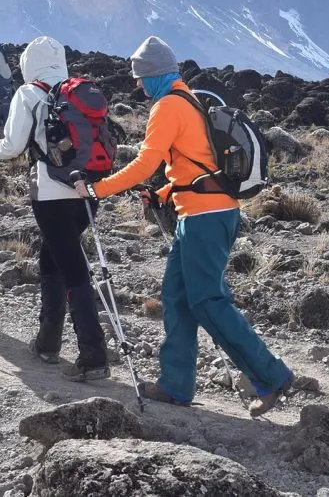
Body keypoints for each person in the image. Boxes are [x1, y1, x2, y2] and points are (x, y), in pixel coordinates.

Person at [74, 36, 294, 415]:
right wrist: (163, 194)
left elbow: (145, 163)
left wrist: (97, 189)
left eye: (141, 77)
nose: (138, 85)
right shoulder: (188, 99)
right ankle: (175, 385)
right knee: (176, 297)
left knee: (207, 300)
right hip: (203, 213)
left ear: (155, 74)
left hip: (205, 218)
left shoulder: (167, 106)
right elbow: (195, 165)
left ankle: (272, 376)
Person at [0, 36, 110, 381]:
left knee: (72, 266)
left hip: (51, 195)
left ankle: (93, 356)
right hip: (88, 191)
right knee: (52, 257)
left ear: (28, 62)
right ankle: (47, 341)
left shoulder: (29, 93)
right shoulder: (80, 94)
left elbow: (13, 146)